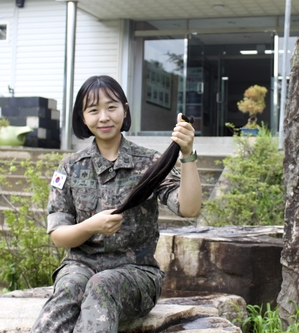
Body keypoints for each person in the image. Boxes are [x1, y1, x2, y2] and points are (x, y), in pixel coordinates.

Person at [31, 75, 202, 333]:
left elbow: (188, 208)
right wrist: (91, 225)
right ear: (82, 117)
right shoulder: (70, 167)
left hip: (136, 273)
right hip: (81, 266)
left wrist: (187, 154)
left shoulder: (150, 163)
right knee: (68, 288)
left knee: (102, 284)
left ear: (125, 109)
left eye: (111, 107)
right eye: (93, 110)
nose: (104, 117)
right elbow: (59, 236)